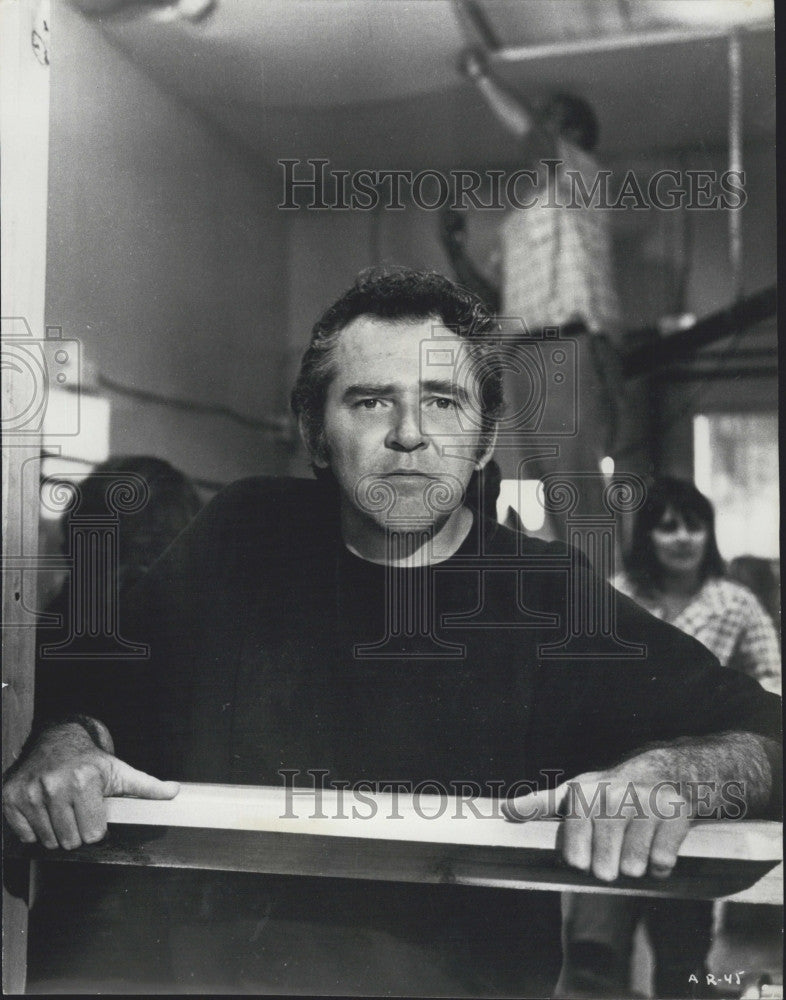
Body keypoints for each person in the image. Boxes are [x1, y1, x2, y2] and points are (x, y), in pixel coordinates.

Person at [3, 269, 781, 997]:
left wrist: (674, 777)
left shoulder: (547, 594)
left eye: (442, 401)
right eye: (371, 401)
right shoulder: (243, 535)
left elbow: (766, 734)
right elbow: (95, 681)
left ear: (482, 441)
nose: (410, 434)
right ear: (315, 433)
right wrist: (68, 739)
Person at [559, 477, 781, 998]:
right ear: (647, 538)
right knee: (594, 952)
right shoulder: (617, 593)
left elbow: (773, 687)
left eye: (694, 525)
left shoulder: (736, 603)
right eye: (667, 527)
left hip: (698, 795)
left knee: (684, 962)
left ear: (709, 534)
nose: (682, 537)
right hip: (616, 785)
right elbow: (580, 681)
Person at [440, 49, 627, 542]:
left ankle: (603, 608)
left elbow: (535, 136)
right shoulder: (521, 221)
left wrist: (481, 75)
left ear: (575, 137)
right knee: (540, 486)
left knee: (574, 487)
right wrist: (455, 250)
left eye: (552, 119)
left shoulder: (584, 179)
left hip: (565, 345)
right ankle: (569, 604)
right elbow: (493, 300)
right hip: (522, 355)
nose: (538, 125)